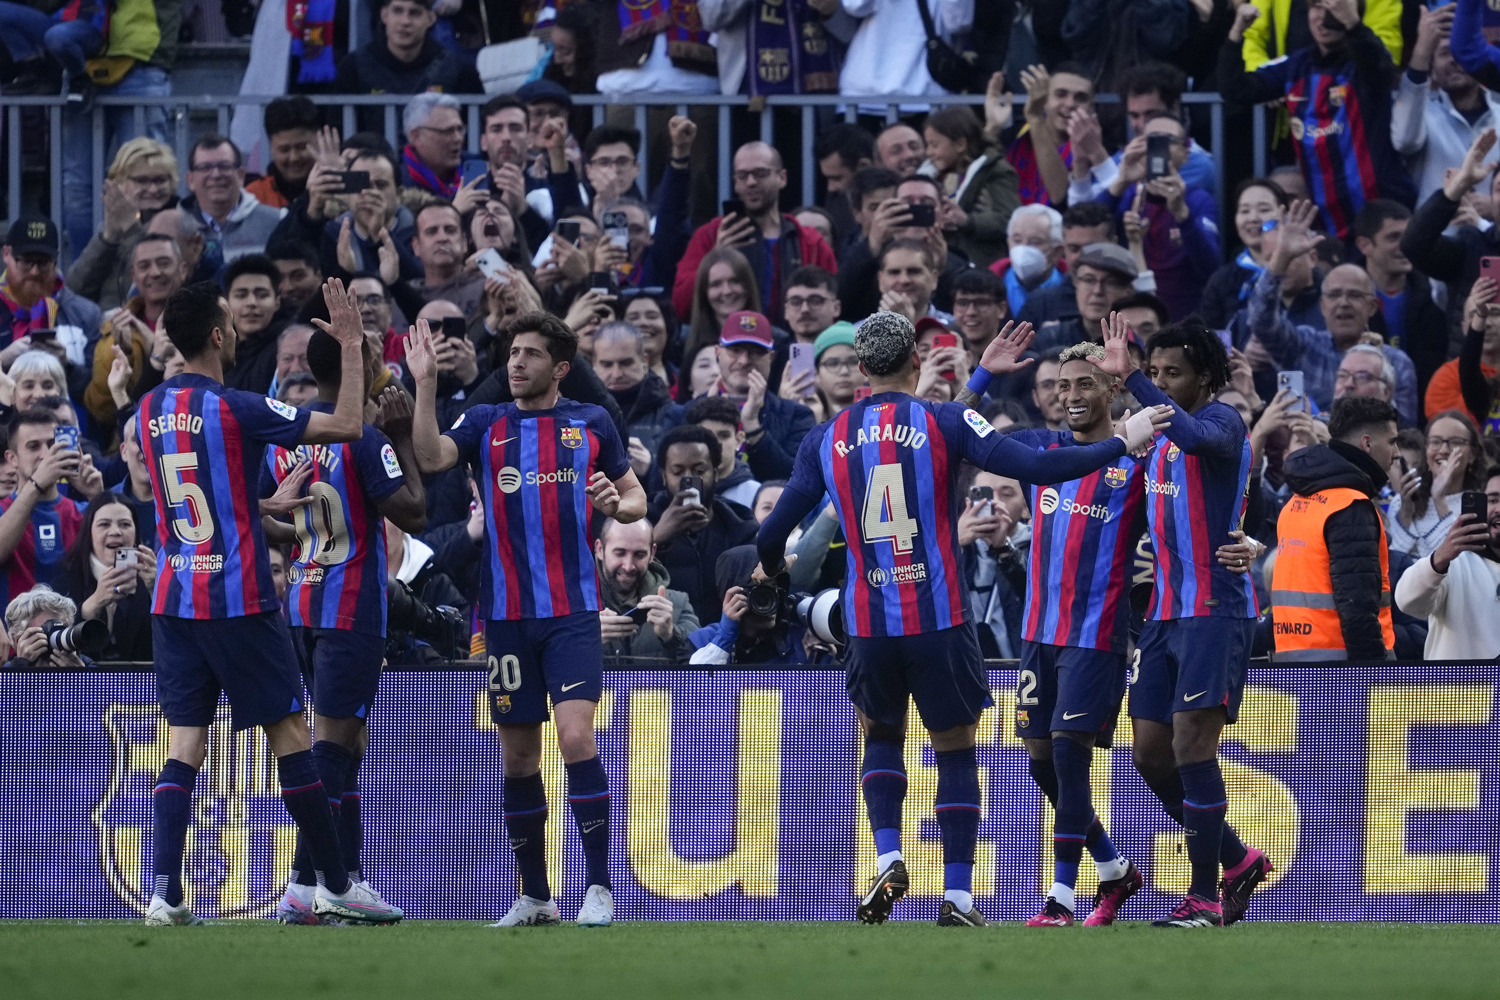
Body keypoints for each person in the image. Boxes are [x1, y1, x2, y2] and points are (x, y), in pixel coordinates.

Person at [755, 312, 1164, 927]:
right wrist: (1119, 443)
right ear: (917, 361)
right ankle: (958, 898)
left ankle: (889, 855)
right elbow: (1035, 467)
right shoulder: (944, 419)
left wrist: (779, 573)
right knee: (953, 750)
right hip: (939, 617)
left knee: (882, 736)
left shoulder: (824, 437)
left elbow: (771, 534)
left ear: (861, 369)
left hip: (867, 622)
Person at [134, 277, 399, 925]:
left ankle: (165, 895)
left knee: (185, 741)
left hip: (173, 597)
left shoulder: (145, 410)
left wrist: (259, 504)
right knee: (291, 734)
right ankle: (336, 883)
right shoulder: (236, 406)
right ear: (219, 335)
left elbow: (181, 491)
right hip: (237, 598)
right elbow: (344, 424)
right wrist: (349, 345)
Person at [406, 309, 647, 927]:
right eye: (513, 352)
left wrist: (616, 503)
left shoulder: (591, 423)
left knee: (573, 737)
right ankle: (536, 895)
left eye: (532, 354)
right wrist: (426, 383)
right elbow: (432, 456)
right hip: (507, 616)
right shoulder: (487, 422)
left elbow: (636, 495)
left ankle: (598, 889)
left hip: (571, 611)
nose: (516, 362)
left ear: (560, 367)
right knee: (517, 758)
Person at [1085, 312, 1272, 928]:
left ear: (1205, 377)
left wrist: (1259, 544)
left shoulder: (1219, 422)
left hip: (1215, 610)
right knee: (1149, 754)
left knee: (1193, 743)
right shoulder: (1153, 441)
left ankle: (1204, 894)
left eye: (1174, 373)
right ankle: (1237, 859)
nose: (1162, 381)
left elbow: (1214, 456)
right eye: (1156, 370)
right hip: (1164, 615)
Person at [961, 339, 1150, 927]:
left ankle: (1062, 899)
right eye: (1061, 386)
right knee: (1042, 761)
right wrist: (982, 376)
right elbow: (962, 434)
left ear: (1112, 389)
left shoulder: (1138, 463)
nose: (1069, 396)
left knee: (1069, 758)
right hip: (1038, 636)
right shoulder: (1041, 449)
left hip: (1097, 636)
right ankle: (1114, 868)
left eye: (1084, 384)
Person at [264, 328, 427, 925]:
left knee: (347, 744)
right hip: (352, 609)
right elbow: (413, 509)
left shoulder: (290, 438)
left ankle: (348, 875)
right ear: (362, 365)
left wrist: (307, 536)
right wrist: (404, 438)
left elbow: (275, 525)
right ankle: (308, 887)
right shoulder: (361, 437)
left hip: (301, 609)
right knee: (332, 748)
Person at [1219, 0, 1414, 240]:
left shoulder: (1365, 61)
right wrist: (1236, 33)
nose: (1322, 19)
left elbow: (1382, 72)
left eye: (1333, 9)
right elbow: (1235, 89)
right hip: (1327, 218)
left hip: (1380, 213)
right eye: (1316, 8)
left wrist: (1353, 24)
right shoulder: (1296, 65)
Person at [1249, 201, 1419, 424]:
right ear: (1322, 305)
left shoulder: (1397, 363)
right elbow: (1260, 321)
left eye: (1355, 295)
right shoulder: (1303, 345)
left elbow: (1405, 435)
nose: (1344, 303)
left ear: (1372, 307)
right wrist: (1281, 258)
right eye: (1335, 295)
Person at [1271, 396, 1400, 661]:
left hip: (1292, 660)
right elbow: (1357, 608)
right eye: (1392, 441)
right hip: (1342, 669)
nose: (1397, 453)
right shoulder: (1349, 506)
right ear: (1367, 443)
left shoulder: (1299, 499)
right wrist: (1373, 671)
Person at [672, 142, 838, 327]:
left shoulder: (810, 242)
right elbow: (681, 307)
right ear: (735, 183)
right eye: (742, 176)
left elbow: (833, 308)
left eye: (760, 174)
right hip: (730, 349)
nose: (751, 182)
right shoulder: (709, 235)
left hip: (795, 348)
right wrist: (715, 257)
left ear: (782, 178)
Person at [1095, 111, 1220, 321]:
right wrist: (1121, 180)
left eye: (1167, 140)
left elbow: (1210, 267)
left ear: (1185, 152)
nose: (1157, 147)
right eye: (1151, 140)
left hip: (1184, 322)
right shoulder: (1125, 195)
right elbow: (1086, 230)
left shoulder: (1198, 200)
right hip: (1128, 320)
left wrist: (1183, 215)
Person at [648, 423, 758, 624]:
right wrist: (656, 537)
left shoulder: (741, 526)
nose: (688, 479)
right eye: (678, 472)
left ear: (715, 474)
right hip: (665, 639)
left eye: (699, 471)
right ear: (664, 476)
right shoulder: (642, 521)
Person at [1393, 4, 1500, 206]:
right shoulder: (1422, 116)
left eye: (1459, 51)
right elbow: (1404, 141)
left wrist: (1493, 206)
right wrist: (1422, 50)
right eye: (1445, 53)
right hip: (1438, 234)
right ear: (1432, 68)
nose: (1455, 60)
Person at [1394, 464, 1500, 659]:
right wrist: (1439, 560)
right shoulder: (1454, 562)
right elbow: (1407, 601)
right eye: (1493, 499)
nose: (1499, 509)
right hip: (1457, 687)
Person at [331, 0, 481, 134]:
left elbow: (476, 128)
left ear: (431, 19)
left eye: (415, 13)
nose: (405, 21)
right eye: (397, 11)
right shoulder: (353, 67)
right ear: (384, 15)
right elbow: (336, 127)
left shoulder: (459, 69)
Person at [67, 138, 181, 312]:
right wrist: (108, 238)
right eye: (142, 181)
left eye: (160, 180)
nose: (152, 189)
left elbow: (145, 284)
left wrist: (130, 227)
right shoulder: (115, 223)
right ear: (118, 184)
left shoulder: (179, 222)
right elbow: (74, 292)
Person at [1351, 200, 1448, 394]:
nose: (1405, 245)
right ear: (1364, 245)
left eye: (1408, 236)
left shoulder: (1436, 294)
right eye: (1393, 237)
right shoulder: (1344, 297)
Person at [54, 490, 156, 662]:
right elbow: (57, 649)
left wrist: (158, 591)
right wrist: (91, 606)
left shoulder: (153, 580)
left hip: (144, 683)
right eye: (104, 524)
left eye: (125, 524)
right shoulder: (63, 583)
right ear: (89, 532)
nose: (115, 531)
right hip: (85, 683)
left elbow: (175, 644)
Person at [712, 311, 815, 481]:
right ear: (717, 353)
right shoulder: (688, 412)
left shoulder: (798, 416)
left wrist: (753, 427)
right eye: (735, 350)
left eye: (756, 352)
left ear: (771, 358)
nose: (744, 361)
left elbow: (797, 480)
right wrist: (705, 420)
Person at [0, 408, 85, 607]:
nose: (45, 455)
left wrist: (96, 496)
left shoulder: (82, 511)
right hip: (15, 635)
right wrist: (37, 483)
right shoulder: (3, 511)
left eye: (52, 444)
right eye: (33, 447)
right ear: (12, 458)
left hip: (71, 634)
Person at [921, 105, 1021, 269]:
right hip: (942, 263)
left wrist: (968, 221)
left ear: (960, 144)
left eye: (934, 145)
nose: (928, 152)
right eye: (927, 145)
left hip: (980, 264)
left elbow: (1010, 220)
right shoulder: (933, 177)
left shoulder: (995, 171)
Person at [594, 516, 699, 662]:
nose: (628, 565)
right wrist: (587, 640)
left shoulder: (677, 604)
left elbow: (703, 669)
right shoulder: (573, 605)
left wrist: (671, 635)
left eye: (639, 554)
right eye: (619, 553)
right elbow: (553, 666)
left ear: (652, 553)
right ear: (600, 549)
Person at [0, 215, 101, 362]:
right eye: (26, 261)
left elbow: (99, 383)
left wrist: (67, 366)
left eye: (43, 263)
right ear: (6, 254)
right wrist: (2, 360)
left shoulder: (86, 316)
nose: (34, 271)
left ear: (57, 257)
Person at [1388, 409, 1486, 559]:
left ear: (1472, 455)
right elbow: (1389, 563)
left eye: (1455, 442)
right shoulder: (1401, 501)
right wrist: (1406, 514)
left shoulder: (1479, 506)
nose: (1444, 450)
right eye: (1435, 442)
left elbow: (1464, 565)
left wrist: (1440, 499)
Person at [1197, 177, 1288, 334]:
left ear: (1284, 215)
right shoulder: (1221, 280)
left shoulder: (1299, 271)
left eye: (1264, 210)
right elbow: (1209, 338)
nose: (1253, 218)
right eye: (1244, 211)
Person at [180, 136, 287, 265]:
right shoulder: (175, 227)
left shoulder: (277, 221)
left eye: (224, 166)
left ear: (241, 175)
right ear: (190, 180)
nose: (216, 175)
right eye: (205, 168)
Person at [594, 321, 679, 459]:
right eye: (607, 364)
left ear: (644, 361)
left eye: (626, 363)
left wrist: (651, 470)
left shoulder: (672, 415)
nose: (616, 374)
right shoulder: (577, 413)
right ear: (594, 365)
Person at [221, 254, 287, 395]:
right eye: (241, 295)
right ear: (226, 302)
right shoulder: (216, 351)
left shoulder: (287, 347)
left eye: (262, 295)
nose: (251, 302)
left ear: (277, 302)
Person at [683, 395, 760, 513]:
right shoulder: (677, 491)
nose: (715, 444)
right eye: (706, 436)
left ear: (738, 440)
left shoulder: (757, 495)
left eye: (723, 436)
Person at [247, 96, 323, 211]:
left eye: (302, 147)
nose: (294, 158)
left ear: (319, 140)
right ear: (271, 147)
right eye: (284, 150)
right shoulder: (253, 196)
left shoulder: (337, 190)